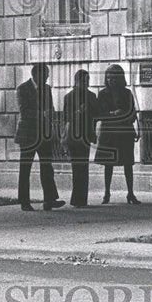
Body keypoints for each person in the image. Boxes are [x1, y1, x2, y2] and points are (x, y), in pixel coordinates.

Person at [16, 63, 64, 211]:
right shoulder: (23, 89)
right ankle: (24, 202)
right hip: (28, 134)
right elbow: (24, 112)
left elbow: (51, 108)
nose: (47, 77)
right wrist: (42, 114)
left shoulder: (47, 89)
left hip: (44, 134)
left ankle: (49, 200)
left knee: (47, 167)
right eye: (45, 75)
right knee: (25, 169)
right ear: (36, 74)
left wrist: (51, 116)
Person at [95, 64, 141, 205]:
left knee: (128, 163)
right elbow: (99, 113)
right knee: (108, 164)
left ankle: (130, 193)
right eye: (108, 78)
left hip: (124, 133)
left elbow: (132, 114)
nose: (110, 81)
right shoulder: (102, 94)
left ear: (119, 78)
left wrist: (123, 115)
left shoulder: (127, 94)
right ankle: (106, 193)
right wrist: (112, 114)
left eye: (113, 78)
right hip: (109, 133)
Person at [62, 69, 98, 207]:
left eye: (88, 81)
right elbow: (66, 117)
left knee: (81, 167)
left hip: (84, 135)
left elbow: (96, 114)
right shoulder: (70, 97)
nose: (87, 83)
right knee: (78, 167)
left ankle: (80, 199)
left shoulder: (90, 96)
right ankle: (78, 199)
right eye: (85, 81)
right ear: (78, 81)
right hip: (74, 135)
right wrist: (79, 112)